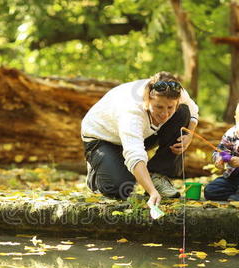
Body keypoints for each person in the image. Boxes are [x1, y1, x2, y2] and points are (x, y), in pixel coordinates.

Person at [81, 72, 199, 206]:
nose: (165, 114)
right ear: (148, 98)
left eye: (170, 107)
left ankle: (158, 175)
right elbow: (135, 154)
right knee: (120, 188)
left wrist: (189, 135)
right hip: (103, 138)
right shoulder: (132, 112)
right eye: (159, 107)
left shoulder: (177, 92)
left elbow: (193, 110)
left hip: (142, 134)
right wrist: (152, 192)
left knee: (183, 112)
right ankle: (96, 175)